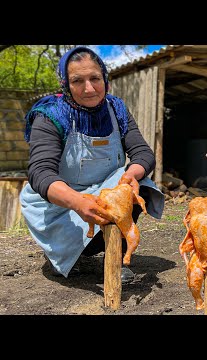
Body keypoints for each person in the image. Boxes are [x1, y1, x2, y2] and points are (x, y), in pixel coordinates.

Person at [20, 46, 165, 284]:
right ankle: (60, 253)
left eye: (95, 78)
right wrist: (77, 202)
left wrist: (131, 174)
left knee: (139, 185)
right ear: (65, 83)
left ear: (105, 79)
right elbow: (40, 172)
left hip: (102, 192)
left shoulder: (116, 110)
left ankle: (115, 257)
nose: (89, 88)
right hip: (59, 203)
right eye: (78, 81)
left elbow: (142, 153)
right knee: (70, 247)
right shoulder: (49, 115)